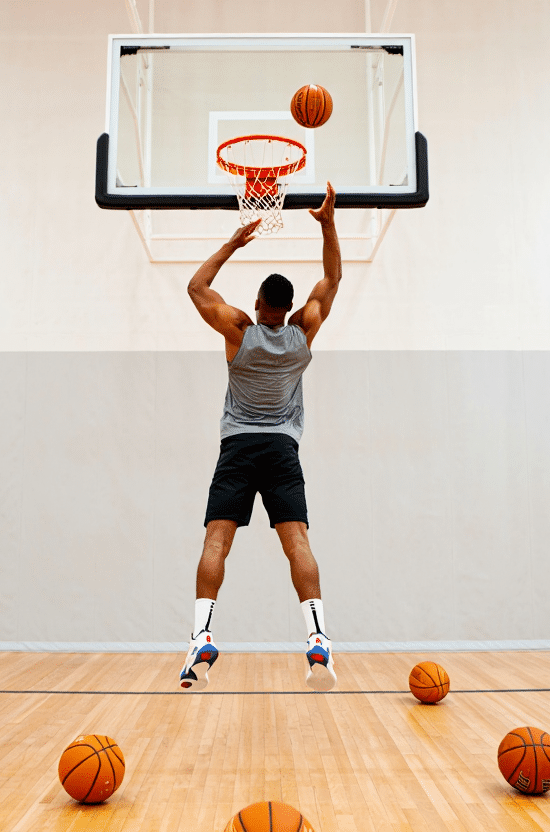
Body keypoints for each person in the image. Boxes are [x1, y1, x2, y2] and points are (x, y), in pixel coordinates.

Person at [179, 183, 341, 692]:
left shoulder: (238, 332)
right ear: (291, 307)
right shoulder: (304, 331)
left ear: (256, 304)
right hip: (281, 450)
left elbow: (196, 289)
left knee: (217, 540)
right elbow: (333, 278)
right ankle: (317, 639)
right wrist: (327, 223)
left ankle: (201, 636)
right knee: (297, 542)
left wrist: (232, 243)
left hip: (238, 448)